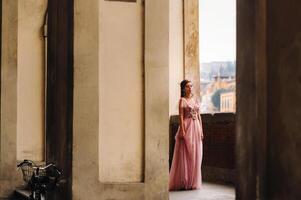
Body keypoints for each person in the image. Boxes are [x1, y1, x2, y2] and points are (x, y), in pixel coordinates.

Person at [169, 79, 204, 191]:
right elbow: (180, 117)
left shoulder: (195, 100)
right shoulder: (182, 100)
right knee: (186, 153)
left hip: (196, 127)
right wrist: (183, 131)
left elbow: (199, 116)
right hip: (187, 127)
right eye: (188, 86)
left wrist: (201, 130)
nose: (190, 88)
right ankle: (184, 180)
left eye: (191, 86)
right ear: (184, 88)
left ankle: (193, 181)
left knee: (196, 153)